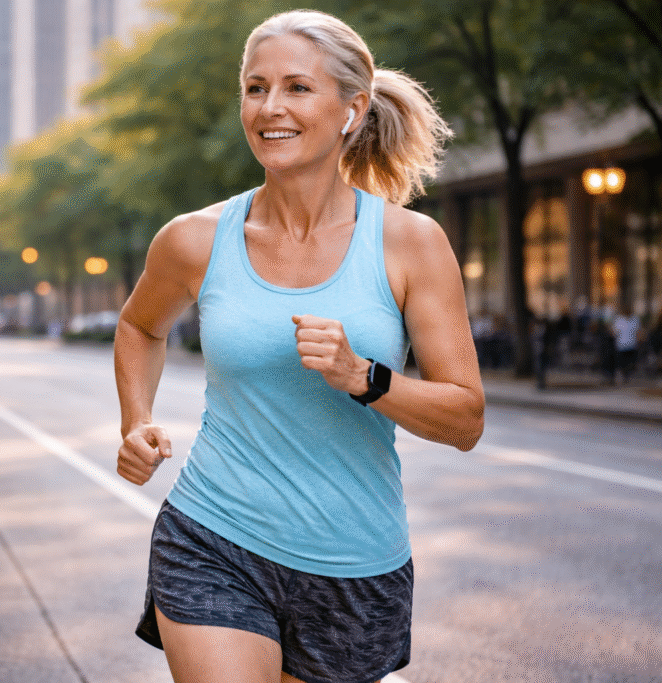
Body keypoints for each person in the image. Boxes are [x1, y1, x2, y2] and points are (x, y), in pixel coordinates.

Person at [114, 10, 484, 683]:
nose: (269, 108)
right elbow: (141, 326)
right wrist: (135, 419)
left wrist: (364, 375)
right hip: (213, 534)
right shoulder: (194, 239)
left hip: (354, 563)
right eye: (255, 88)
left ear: (352, 108)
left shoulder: (410, 244)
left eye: (296, 88)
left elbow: (465, 418)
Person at [611, 304, 642, 383]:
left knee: (630, 362)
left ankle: (626, 375)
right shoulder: (619, 319)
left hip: (631, 345)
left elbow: (638, 332)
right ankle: (624, 375)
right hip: (622, 345)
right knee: (623, 363)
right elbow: (614, 332)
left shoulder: (635, 319)